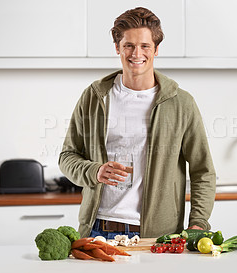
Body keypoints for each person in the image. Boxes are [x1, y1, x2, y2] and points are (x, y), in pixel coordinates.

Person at [59, 7, 216, 239]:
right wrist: (95, 171)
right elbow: (67, 157)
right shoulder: (94, 97)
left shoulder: (181, 103)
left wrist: (198, 223)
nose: (136, 54)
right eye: (128, 46)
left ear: (156, 49)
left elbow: (203, 171)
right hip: (98, 228)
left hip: (157, 234)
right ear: (117, 48)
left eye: (144, 46)